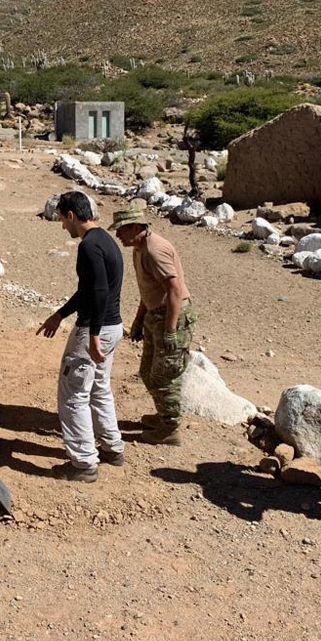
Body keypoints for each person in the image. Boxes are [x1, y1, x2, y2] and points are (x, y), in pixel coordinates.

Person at [37, 191, 125, 483]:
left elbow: (98, 292)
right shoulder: (105, 241)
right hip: (112, 327)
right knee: (99, 387)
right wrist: (60, 315)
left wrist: (93, 334)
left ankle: (84, 463)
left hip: (95, 330)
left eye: (62, 219)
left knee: (73, 393)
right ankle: (112, 447)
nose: (63, 225)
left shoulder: (88, 246)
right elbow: (88, 290)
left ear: (72, 215)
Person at [109, 201, 196, 446]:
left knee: (164, 377)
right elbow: (149, 289)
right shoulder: (139, 248)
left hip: (171, 318)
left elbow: (175, 291)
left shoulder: (154, 251)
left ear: (137, 227)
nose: (118, 235)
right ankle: (163, 415)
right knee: (148, 372)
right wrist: (139, 319)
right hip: (155, 315)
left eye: (122, 229)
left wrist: (170, 330)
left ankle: (170, 428)